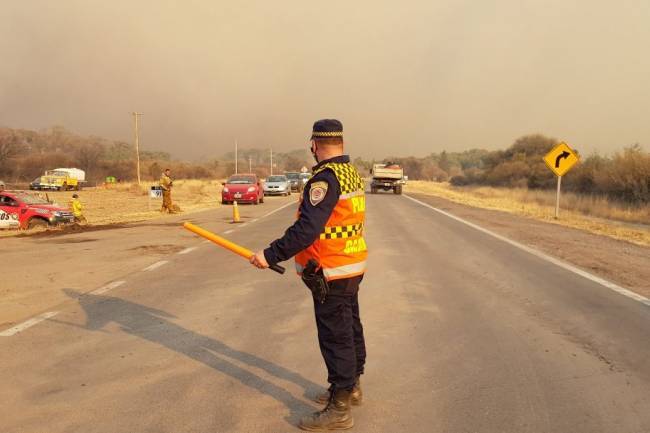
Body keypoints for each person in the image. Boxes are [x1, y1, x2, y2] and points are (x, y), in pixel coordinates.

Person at [250, 119, 368, 431]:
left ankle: (340, 408)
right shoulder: (349, 172)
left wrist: (270, 254)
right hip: (350, 264)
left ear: (314, 145)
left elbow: (307, 229)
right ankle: (351, 387)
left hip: (330, 269)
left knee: (336, 336)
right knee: (350, 327)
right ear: (340, 143)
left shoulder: (325, 179)